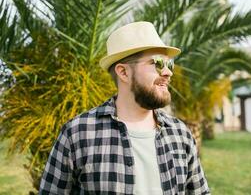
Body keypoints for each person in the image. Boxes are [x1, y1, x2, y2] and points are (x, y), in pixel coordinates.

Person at [39, 21, 210, 195]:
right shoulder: (77, 134)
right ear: (123, 72)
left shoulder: (180, 134)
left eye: (169, 64)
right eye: (158, 63)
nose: (168, 72)